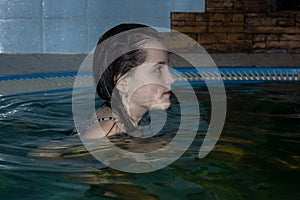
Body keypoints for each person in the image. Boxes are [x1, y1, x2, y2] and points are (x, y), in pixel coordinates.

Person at [83, 23, 175, 139]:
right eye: (158, 70)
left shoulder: (120, 117)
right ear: (123, 82)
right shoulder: (107, 133)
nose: (171, 79)